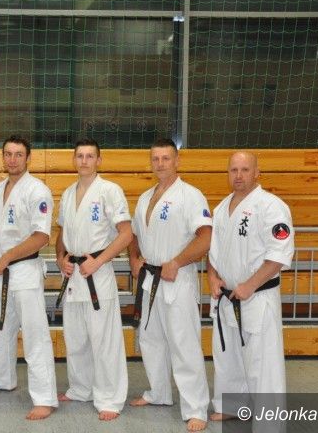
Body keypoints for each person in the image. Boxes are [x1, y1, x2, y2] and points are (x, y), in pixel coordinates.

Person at [127, 138, 211, 432]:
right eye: (155, 159)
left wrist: (177, 261)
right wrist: (134, 258)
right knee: (150, 340)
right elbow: (133, 235)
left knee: (184, 345)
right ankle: (159, 393)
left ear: (177, 161)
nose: (160, 163)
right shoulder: (145, 197)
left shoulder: (191, 196)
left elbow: (205, 237)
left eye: (166, 158)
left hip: (178, 279)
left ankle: (196, 407)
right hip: (150, 279)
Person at [208, 151, 294, 424]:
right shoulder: (221, 208)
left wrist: (250, 285)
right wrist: (212, 276)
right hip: (228, 296)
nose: (239, 175)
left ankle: (270, 422)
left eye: (245, 170)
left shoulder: (272, 207)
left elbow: (279, 254)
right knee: (229, 357)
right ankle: (233, 406)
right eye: (234, 170)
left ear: (257, 173)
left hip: (257, 296)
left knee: (262, 363)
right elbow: (213, 252)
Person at [0, 135, 58, 420]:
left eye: (18, 154)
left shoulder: (37, 190)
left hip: (24, 272)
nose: (12, 159)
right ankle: (3, 379)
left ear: (28, 158)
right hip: (0, 272)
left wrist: (5, 258)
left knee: (35, 337)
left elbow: (41, 236)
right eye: (8, 154)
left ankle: (45, 398)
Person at [55, 138, 132, 421]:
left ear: (99, 160)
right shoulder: (67, 193)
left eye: (90, 156)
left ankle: (110, 397)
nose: (84, 161)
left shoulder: (110, 190)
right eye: (80, 156)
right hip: (74, 273)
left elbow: (126, 234)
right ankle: (81, 388)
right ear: (74, 160)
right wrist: (60, 258)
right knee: (75, 337)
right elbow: (61, 232)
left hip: (97, 272)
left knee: (104, 340)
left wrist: (98, 261)